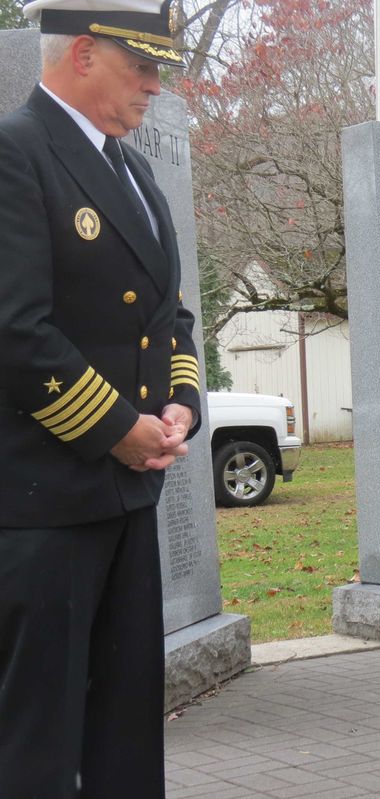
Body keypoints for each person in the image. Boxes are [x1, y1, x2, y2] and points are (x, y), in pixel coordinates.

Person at [0, 0, 201, 794]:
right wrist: (120, 427)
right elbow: (16, 328)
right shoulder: (16, 152)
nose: (155, 85)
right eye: (141, 66)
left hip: (126, 492)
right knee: (39, 732)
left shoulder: (133, 167)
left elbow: (168, 313)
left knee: (124, 722)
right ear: (84, 54)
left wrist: (181, 402)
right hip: (46, 500)